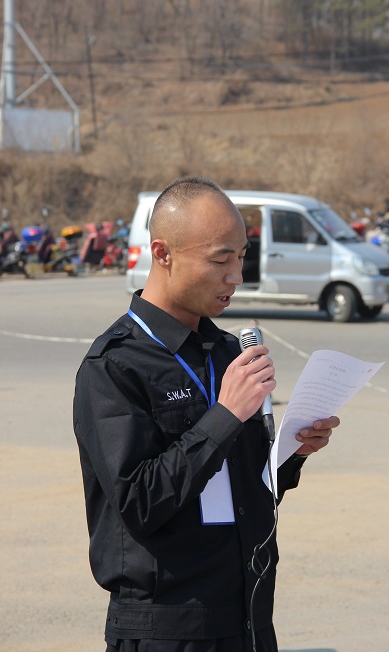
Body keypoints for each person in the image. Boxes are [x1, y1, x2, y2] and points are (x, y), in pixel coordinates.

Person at [73, 176, 340, 652]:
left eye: (241, 257)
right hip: (168, 628)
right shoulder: (114, 366)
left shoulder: (227, 352)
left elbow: (248, 491)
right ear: (163, 254)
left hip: (248, 617)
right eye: (220, 260)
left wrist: (293, 452)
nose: (236, 276)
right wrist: (225, 415)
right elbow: (139, 502)